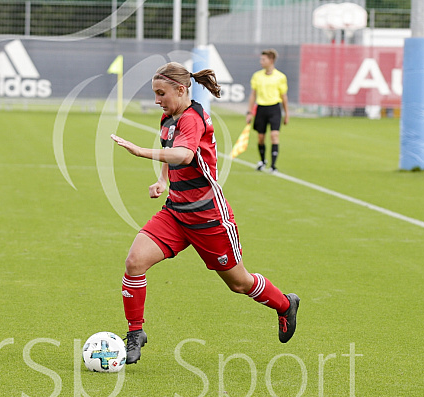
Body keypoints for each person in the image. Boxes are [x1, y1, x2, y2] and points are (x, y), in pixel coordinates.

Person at [111, 62, 300, 364]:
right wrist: (162, 180)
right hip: (175, 212)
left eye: (161, 93)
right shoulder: (168, 118)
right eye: (155, 94)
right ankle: (135, 334)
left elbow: (184, 154)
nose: (157, 100)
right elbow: (170, 151)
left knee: (238, 283)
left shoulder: (193, 118)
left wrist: (139, 151)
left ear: (181, 90)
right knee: (134, 262)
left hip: (208, 216)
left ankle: (284, 304)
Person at [245, 49, 289, 172]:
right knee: (260, 138)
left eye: (263, 59)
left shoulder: (280, 77)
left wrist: (286, 114)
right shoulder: (257, 76)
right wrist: (249, 112)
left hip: (274, 108)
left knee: (274, 135)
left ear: (271, 60)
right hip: (261, 109)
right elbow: (253, 95)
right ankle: (263, 161)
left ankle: (273, 166)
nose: (261, 61)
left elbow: (284, 96)